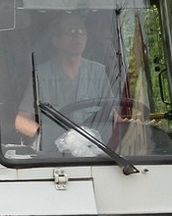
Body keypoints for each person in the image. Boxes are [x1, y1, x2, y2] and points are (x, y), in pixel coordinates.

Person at [14, 13, 116, 142]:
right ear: (56, 40)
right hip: (54, 152)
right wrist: (47, 136)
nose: (77, 36)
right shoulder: (41, 74)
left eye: (81, 31)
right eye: (71, 31)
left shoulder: (98, 72)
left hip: (95, 149)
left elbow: (113, 115)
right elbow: (21, 121)